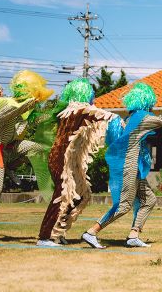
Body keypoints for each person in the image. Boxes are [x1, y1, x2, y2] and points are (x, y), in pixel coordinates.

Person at [83, 82, 162, 249]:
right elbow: (161, 120)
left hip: (131, 166)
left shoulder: (130, 118)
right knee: (124, 205)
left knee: (149, 199)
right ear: (147, 100)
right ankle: (91, 232)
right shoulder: (143, 117)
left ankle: (133, 235)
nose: (153, 104)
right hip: (129, 165)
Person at [36, 78, 117, 246]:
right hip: (60, 159)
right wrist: (113, 116)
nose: (94, 96)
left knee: (81, 194)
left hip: (71, 160)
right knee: (62, 194)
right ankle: (44, 236)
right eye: (91, 93)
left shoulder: (77, 111)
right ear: (83, 93)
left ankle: (57, 232)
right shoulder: (76, 110)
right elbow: (95, 113)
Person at [0, 70, 53, 242]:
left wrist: (50, 115)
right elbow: (16, 110)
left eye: (1, 88)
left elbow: (24, 116)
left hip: (10, 148)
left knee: (37, 148)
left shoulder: (7, 102)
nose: (0, 90)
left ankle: (11, 167)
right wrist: (35, 98)